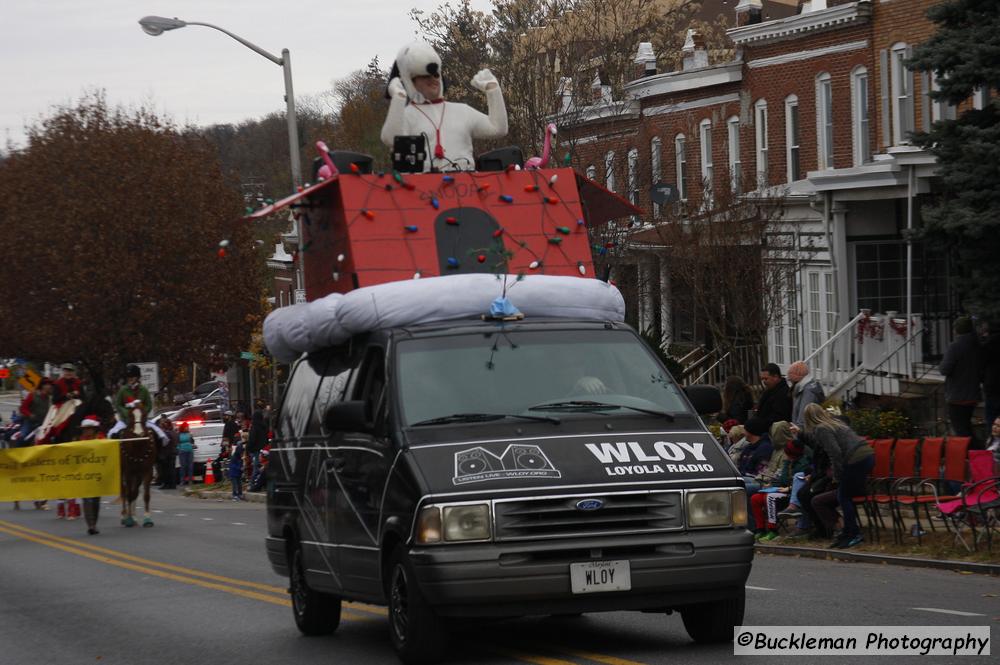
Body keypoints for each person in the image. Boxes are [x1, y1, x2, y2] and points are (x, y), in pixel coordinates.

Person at [381, 40, 507, 172]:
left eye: (436, 74)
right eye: (425, 76)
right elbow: (391, 139)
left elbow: (498, 129)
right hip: (422, 188)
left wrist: (493, 89)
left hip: (466, 186)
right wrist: (398, 98)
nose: (433, 79)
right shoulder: (406, 115)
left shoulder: (462, 111)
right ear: (411, 82)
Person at [801, 402, 874, 548]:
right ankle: (847, 532)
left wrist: (837, 476)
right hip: (866, 455)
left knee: (844, 496)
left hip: (855, 458)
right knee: (844, 495)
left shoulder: (821, 429)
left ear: (808, 419)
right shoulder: (834, 423)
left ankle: (852, 533)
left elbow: (835, 453)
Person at [77, 415, 105, 535]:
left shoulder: (102, 440)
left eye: (89, 428)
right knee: (87, 500)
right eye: (85, 429)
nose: (86, 431)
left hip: (98, 475)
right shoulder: (79, 442)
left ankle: (95, 522)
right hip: (84, 476)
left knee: (96, 501)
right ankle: (91, 525)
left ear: (94, 429)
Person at [787, 360, 825, 428]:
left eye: (791, 380)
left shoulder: (808, 392)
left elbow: (803, 420)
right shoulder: (805, 388)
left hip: (805, 434)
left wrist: (797, 432)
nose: (790, 383)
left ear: (797, 378)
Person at [754, 363, 792, 428]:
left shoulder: (783, 394)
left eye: (766, 379)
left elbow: (779, 417)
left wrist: (759, 423)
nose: (764, 382)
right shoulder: (769, 391)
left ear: (775, 377)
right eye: (762, 379)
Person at [156, 416, 178, 489]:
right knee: (172, 469)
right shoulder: (174, 432)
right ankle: (172, 484)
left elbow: (164, 444)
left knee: (166, 470)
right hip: (173, 452)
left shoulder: (166, 433)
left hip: (167, 454)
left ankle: (166, 484)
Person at [176, 422, 196, 486]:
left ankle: (190, 480)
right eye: (186, 427)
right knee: (183, 466)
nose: (187, 428)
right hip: (182, 451)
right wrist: (179, 449)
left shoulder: (189, 434)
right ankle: (182, 480)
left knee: (190, 466)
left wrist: (193, 444)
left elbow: (192, 441)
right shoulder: (179, 434)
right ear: (183, 427)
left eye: (188, 427)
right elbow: (177, 443)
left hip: (190, 450)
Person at [229, 433, 245, 501]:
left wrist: (241, 469)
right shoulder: (235, 457)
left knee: (239, 484)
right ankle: (235, 494)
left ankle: (240, 494)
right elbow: (233, 466)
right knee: (235, 484)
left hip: (238, 472)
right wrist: (239, 468)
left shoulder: (240, 458)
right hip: (234, 473)